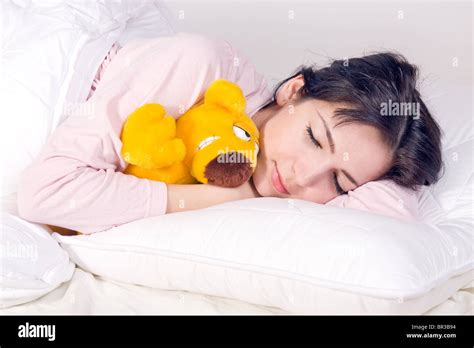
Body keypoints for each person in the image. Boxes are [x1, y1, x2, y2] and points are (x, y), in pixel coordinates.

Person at [17, 33, 442, 234]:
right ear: (293, 90)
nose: (301, 177)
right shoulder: (202, 68)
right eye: (314, 137)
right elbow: (46, 193)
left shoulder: (305, 193)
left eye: (338, 180)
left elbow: (396, 218)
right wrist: (231, 196)